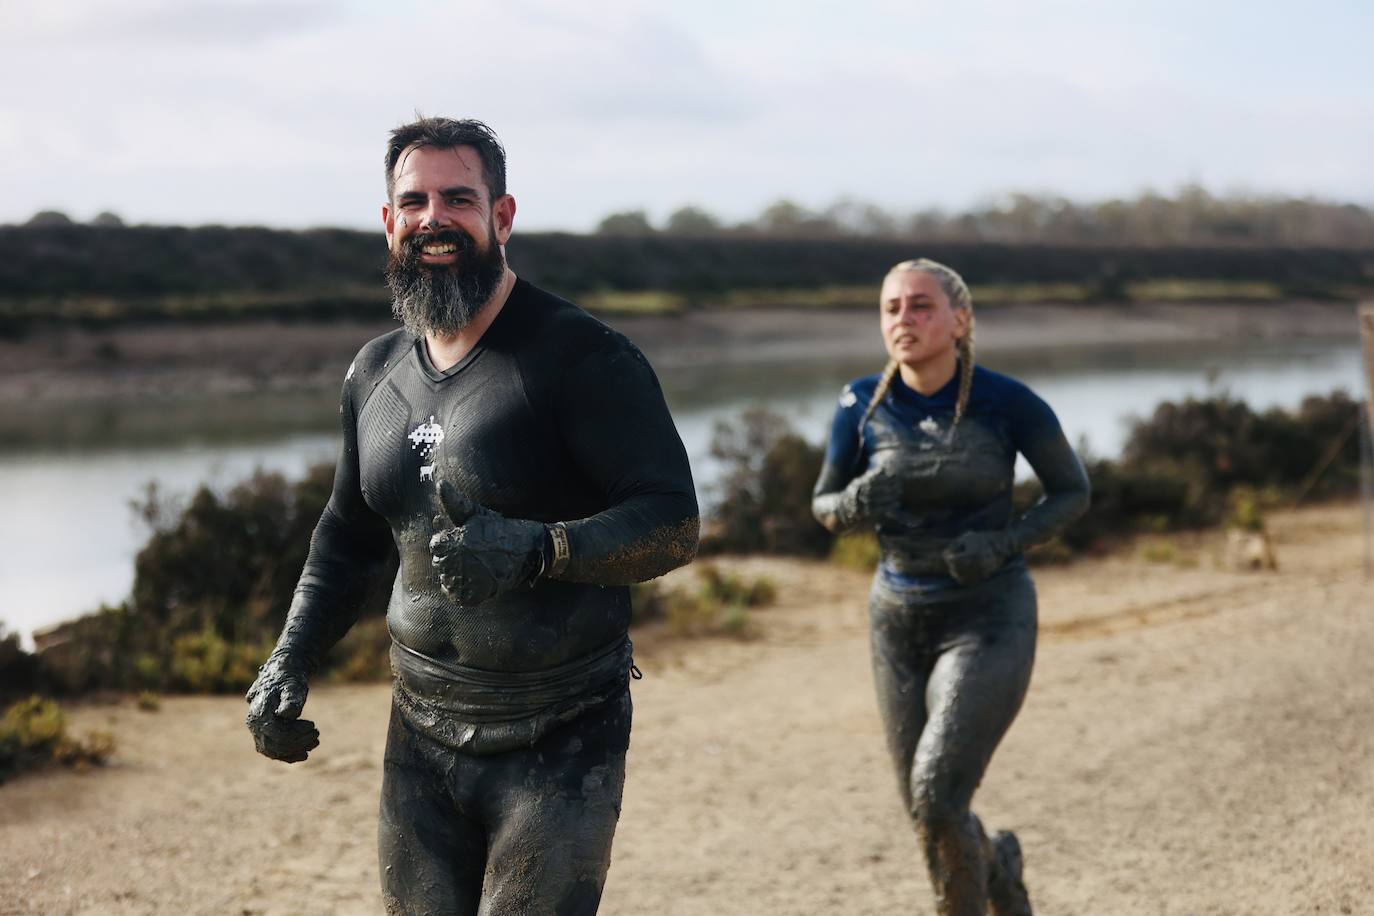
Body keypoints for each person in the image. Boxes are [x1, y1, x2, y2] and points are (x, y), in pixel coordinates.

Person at [244, 117, 699, 916]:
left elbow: (672, 520)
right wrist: (290, 658)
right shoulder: (374, 372)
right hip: (417, 729)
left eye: (458, 199)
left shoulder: (583, 356)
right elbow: (347, 537)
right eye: (413, 202)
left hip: (562, 735)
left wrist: (539, 549)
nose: (434, 219)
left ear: (503, 215)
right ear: (389, 222)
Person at [811, 259, 1089, 916]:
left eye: (920, 306)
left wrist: (1001, 543)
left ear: (960, 321)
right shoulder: (860, 404)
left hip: (988, 613)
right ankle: (1000, 870)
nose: (903, 320)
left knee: (938, 794)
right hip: (897, 619)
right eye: (891, 308)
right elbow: (823, 504)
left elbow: (1072, 491)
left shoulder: (1008, 402)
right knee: (926, 809)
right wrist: (851, 503)